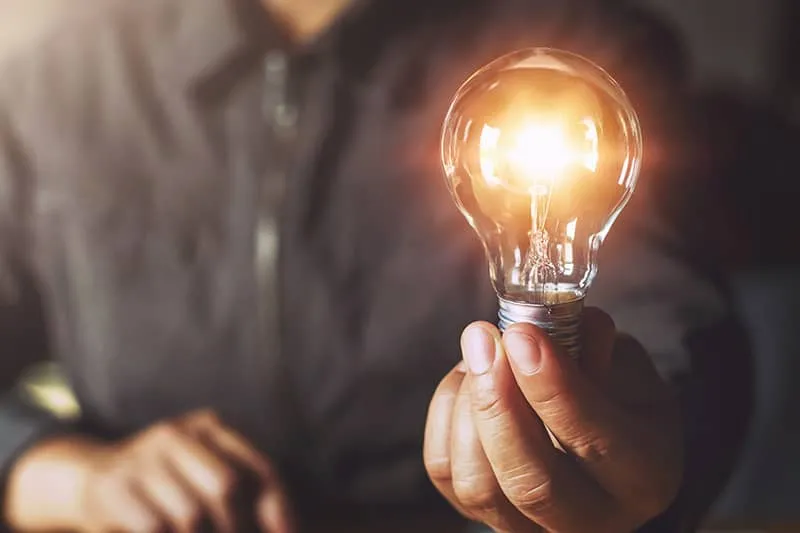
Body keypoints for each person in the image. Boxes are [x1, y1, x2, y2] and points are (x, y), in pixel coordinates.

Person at [0, 0, 738, 531]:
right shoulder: (56, 86)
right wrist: (49, 471)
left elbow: (679, 339)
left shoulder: (571, 49)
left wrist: (635, 468)